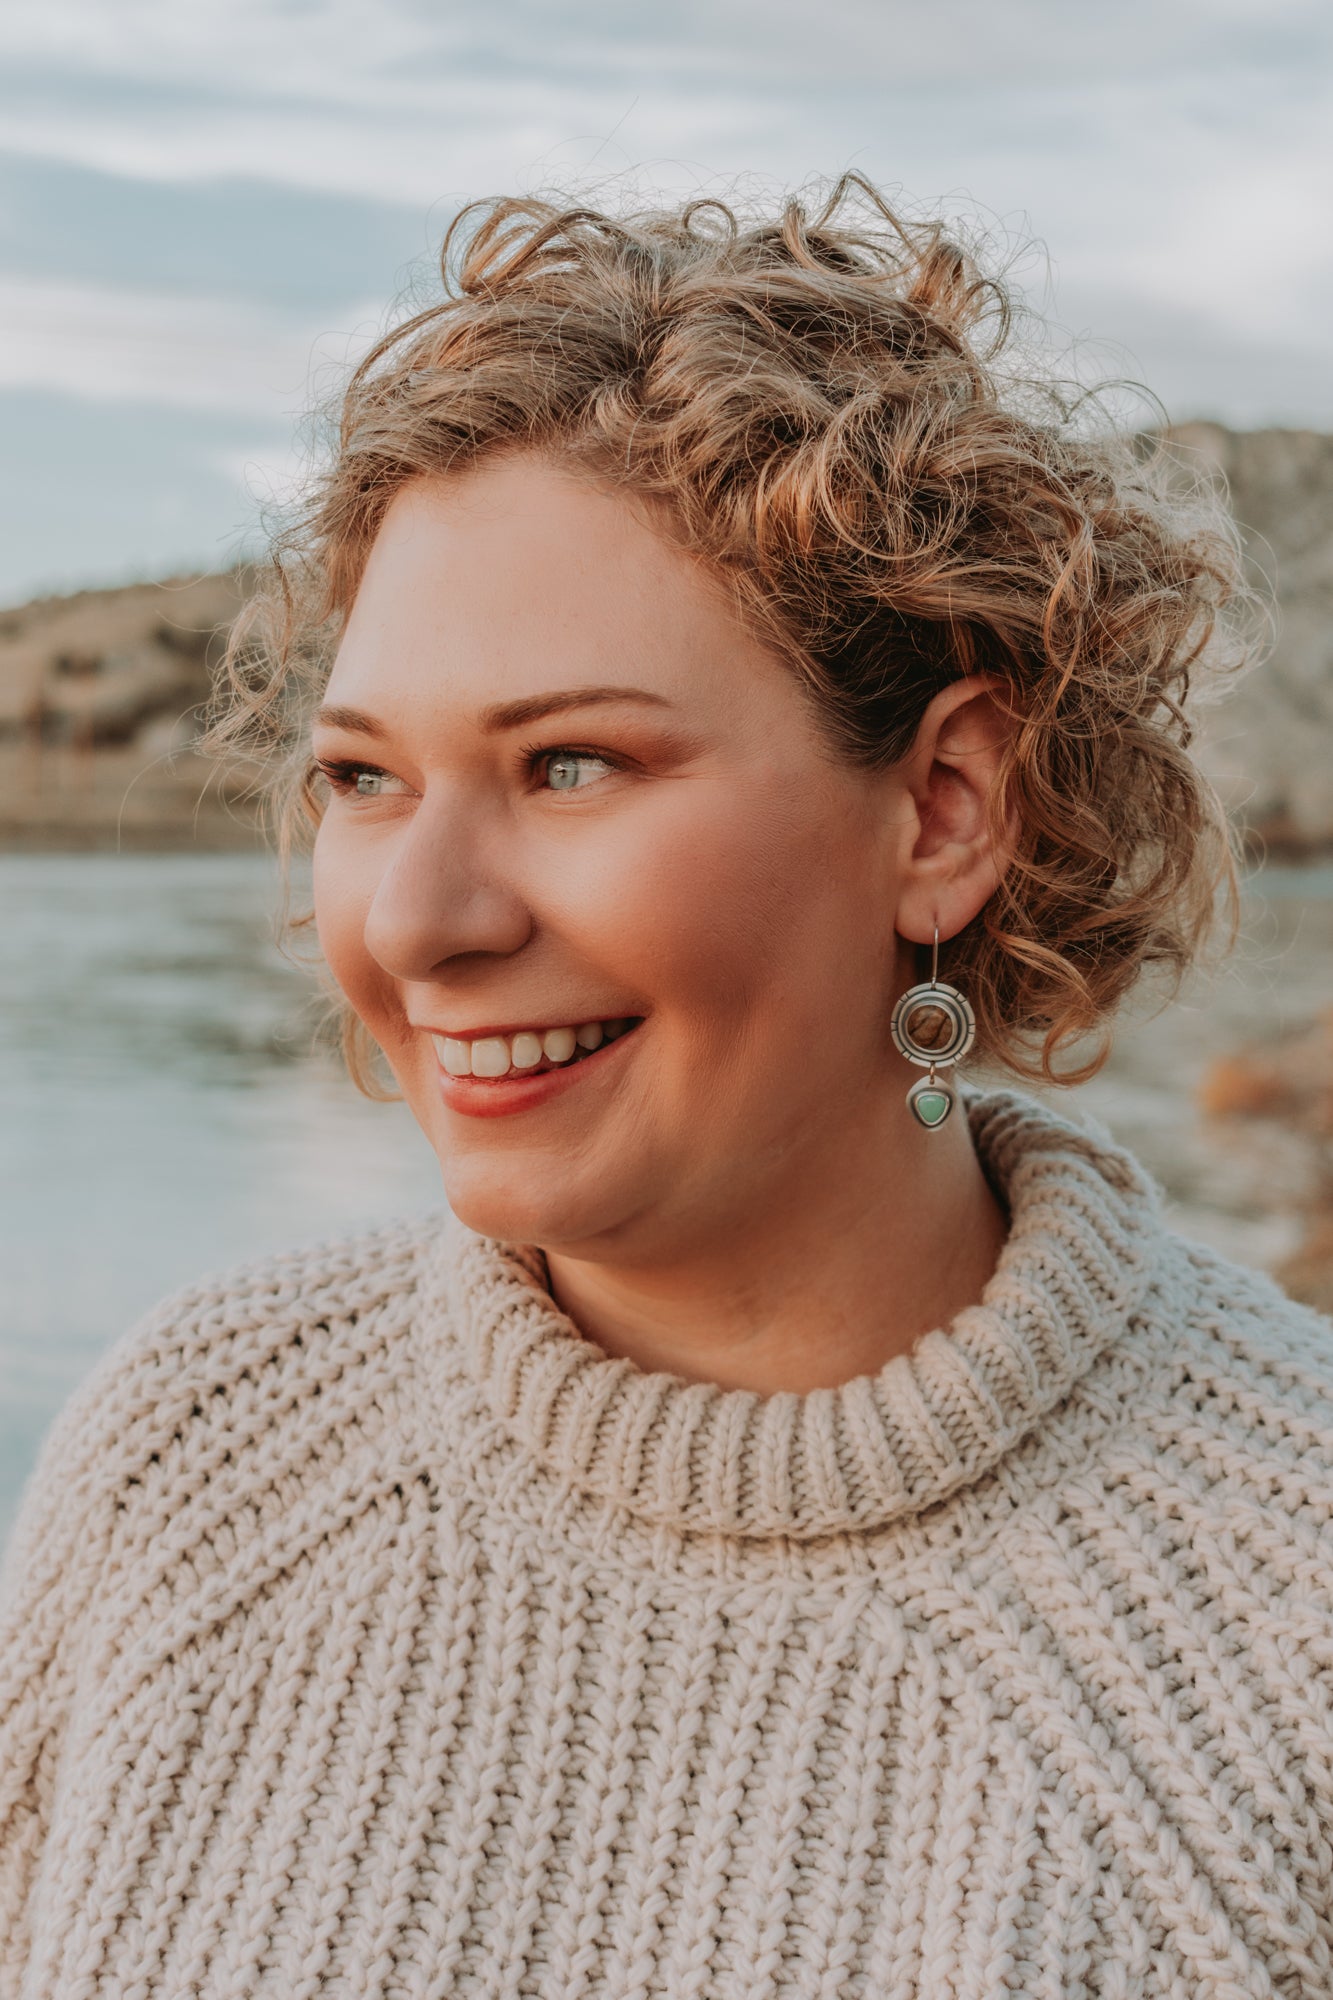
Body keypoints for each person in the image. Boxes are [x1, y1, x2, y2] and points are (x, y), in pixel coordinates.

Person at [3, 176, 1332, 1998]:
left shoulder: (1289, 1609)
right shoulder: (189, 1461)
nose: (417, 923)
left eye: (568, 766)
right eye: (363, 779)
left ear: (944, 809)